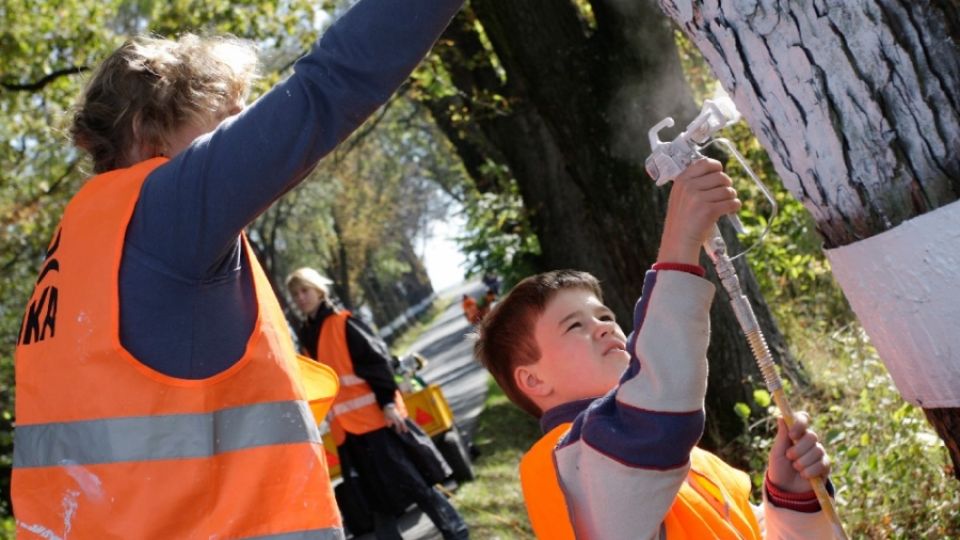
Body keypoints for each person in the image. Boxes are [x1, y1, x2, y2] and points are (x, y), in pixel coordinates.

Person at [11, 1, 464, 537]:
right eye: (229, 121)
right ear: (150, 130)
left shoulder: (75, 249)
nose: (244, 138)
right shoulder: (170, 210)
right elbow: (329, 87)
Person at [474, 159, 838, 539]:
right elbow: (656, 405)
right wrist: (679, 245)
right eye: (575, 325)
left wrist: (790, 499)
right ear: (533, 379)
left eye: (604, 316)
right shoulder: (565, 466)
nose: (602, 327)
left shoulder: (688, 459)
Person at [287, 268, 469, 540]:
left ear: (319, 291)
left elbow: (378, 363)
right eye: (295, 294)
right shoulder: (306, 335)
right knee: (373, 499)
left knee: (414, 484)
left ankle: (456, 532)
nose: (300, 298)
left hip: (376, 421)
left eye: (305, 291)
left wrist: (388, 404)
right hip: (347, 433)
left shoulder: (343, 323)